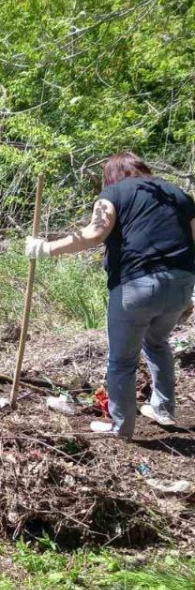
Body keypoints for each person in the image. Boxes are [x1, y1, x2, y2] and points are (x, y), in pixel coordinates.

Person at [26, 153, 195, 438]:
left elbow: (95, 233)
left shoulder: (114, 193)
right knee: (157, 342)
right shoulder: (179, 195)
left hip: (136, 285)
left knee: (122, 360)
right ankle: (164, 409)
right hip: (181, 284)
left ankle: (121, 427)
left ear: (112, 176)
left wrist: (45, 248)